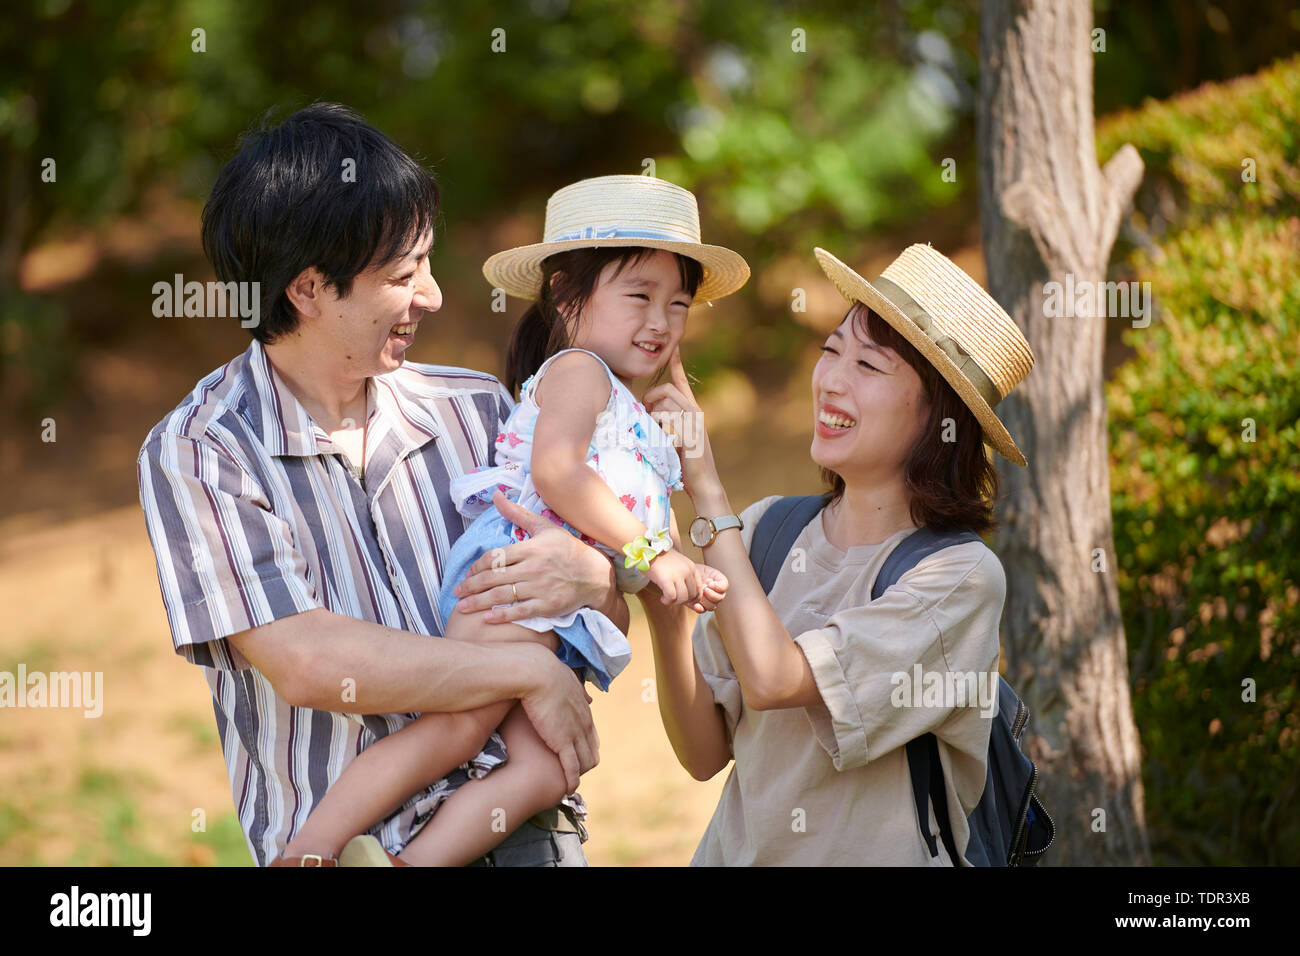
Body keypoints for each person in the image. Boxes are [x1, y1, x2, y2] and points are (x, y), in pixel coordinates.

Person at [137, 103, 620, 867]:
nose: (431, 295)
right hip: (343, 851)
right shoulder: (202, 450)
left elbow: (593, 607)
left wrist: (596, 576)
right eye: (403, 275)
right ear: (307, 290)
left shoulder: (480, 411)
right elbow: (309, 662)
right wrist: (521, 671)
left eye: (427, 262)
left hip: (523, 832)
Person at [282, 174, 749, 866]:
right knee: (458, 729)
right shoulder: (579, 372)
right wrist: (654, 552)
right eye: (640, 297)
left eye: (678, 305)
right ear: (567, 296)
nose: (660, 321)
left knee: (549, 772)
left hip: (555, 628)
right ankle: (309, 852)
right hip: (509, 585)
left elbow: (623, 573)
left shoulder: (634, 416)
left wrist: (677, 485)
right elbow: (559, 473)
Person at [628, 243, 1036, 865]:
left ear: (938, 416)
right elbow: (705, 754)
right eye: (831, 350)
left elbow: (772, 678)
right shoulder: (765, 532)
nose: (831, 381)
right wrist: (663, 612)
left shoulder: (959, 578)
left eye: (869, 366)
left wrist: (705, 483)